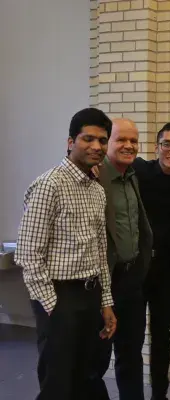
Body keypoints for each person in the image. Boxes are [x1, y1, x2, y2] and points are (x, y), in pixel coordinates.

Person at [14, 108, 117, 400]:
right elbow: (29, 254)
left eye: (102, 140)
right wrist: (51, 305)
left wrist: (106, 302)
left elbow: (99, 252)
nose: (96, 146)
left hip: (90, 294)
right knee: (58, 383)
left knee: (88, 376)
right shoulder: (49, 185)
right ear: (70, 142)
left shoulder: (97, 191)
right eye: (88, 138)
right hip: (59, 297)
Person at [133, 123, 170, 400]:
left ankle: (159, 395)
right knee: (131, 336)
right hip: (137, 268)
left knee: (161, 336)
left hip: (169, 271)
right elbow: (110, 163)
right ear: (157, 146)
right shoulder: (140, 170)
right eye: (166, 144)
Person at [96, 118, 154, 400]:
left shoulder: (132, 175)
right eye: (121, 140)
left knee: (131, 355)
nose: (128, 145)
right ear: (107, 141)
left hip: (131, 281)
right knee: (96, 358)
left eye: (133, 140)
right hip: (102, 283)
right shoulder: (95, 176)